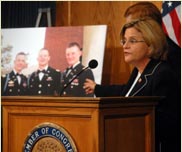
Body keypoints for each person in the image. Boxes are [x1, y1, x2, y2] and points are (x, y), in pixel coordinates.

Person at [84, 18, 180, 152]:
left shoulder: (162, 74)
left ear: (151, 43)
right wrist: (97, 88)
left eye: (132, 41)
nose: (125, 46)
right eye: (124, 41)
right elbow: (126, 93)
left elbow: (165, 124)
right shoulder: (138, 71)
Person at [123, 2, 181, 86]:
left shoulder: (169, 54)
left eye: (131, 24)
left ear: (148, 26)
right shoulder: (141, 60)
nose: (127, 29)